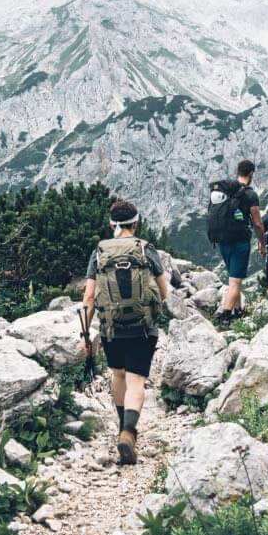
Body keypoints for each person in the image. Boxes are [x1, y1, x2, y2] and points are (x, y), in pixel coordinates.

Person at [80, 199, 169, 466]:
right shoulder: (145, 248)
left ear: (112, 225)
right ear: (136, 223)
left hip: (111, 328)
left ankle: (121, 428)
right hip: (143, 328)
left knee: (118, 375)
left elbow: (89, 298)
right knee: (136, 381)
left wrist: (85, 335)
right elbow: (163, 292)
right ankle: (129, 431)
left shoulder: (99, 252)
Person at [207, 158, 266, 322]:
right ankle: (224, 318)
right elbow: (257, 223)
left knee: (234, 278)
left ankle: (239, 311)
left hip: (222, 240)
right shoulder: (250, 194)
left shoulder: (226, 191)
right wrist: (263, 243)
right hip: (240, 242)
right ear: (252, 173)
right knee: (235, 282)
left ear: (238, 172)